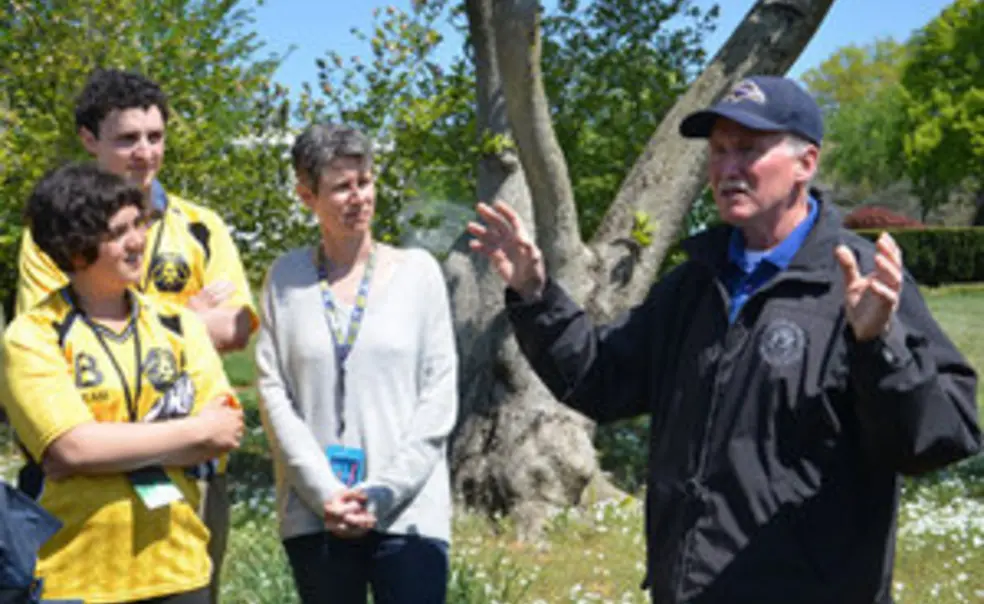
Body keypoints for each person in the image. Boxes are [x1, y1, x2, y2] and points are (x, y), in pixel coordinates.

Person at [468, 75, 982, 604]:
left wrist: (879, 344)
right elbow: (600, 377)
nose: (727, 168)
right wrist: (535, 294)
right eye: (718, 150)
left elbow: (938, 438)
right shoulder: (696, 282)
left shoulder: (860, 281)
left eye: (749, 149)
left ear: (806, 163)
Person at [11, 68, 256, 600]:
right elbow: (68, 440)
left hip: (183, 520)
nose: (145, 152)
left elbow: (234, 340)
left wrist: (108, 439)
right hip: (76, 549)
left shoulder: (200, 228)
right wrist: (186, 426)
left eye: (155, 136)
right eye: (128, 138)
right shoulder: (46, 255)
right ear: (89, 139)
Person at [256, 124, 458, 604]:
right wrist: (324, 492)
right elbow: (273, 393)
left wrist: (383, 492)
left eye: (364, 182)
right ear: (307, 196)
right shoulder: (285, 278)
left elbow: (439, 393)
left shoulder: (419, 274)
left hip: (409, 514)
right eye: (341, 187)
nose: (358, 198)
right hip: (316, 515)